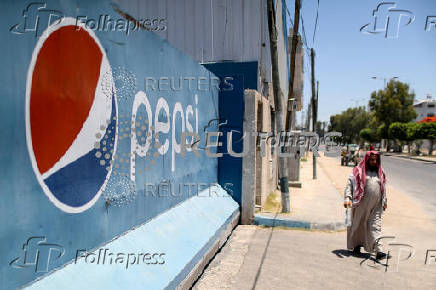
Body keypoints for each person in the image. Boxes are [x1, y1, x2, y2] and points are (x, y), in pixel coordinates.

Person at [343, 151, 389, 260]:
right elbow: (349, 184)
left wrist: (385, 201)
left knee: (375, 226)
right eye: (372, 160)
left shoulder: (380, 172)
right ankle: (356, 245)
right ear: (367, 160)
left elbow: (383, 188)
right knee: (358, 224)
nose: (374, 162)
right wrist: (347, 198)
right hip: (361, 204)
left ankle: (379, 251)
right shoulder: (358, 171)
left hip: (376, 205)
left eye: (376, 160)